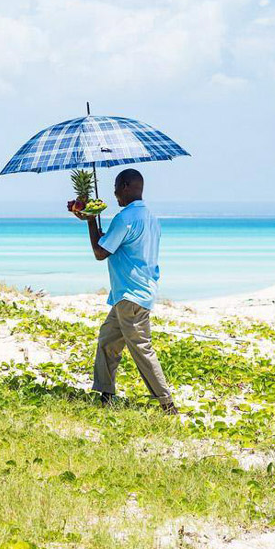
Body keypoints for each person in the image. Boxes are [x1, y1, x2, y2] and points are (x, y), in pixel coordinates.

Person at [69, 168, 176, 413]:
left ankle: (167, 405)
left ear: (126, 186)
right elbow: (115, 244)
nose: (115, 193)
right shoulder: (150, 217)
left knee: (142, 349)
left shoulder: (125, 218)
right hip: (131, 294)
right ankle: (105, 397)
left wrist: (89, 223)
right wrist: (91, 218)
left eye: (117, 187)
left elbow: (100, 252)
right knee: (107, 341)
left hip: (131, 295)